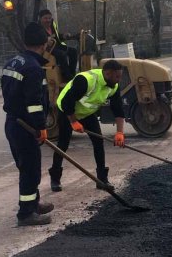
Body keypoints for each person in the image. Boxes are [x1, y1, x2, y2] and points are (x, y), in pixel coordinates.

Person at [2, 23, 55, 226]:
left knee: (27, 166)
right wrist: (41, 127)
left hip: (13, 122)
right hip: (25, 126)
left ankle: (33, 203)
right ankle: (26, 213)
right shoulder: (33, 68)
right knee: (30, 169)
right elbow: (34, 103)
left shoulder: (13, 62)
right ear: (43, 44)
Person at [48, 60, 127, 192]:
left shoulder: (113, 86)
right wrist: (73, 122)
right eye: (117, 77)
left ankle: (102, 180)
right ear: (108, 73)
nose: (119, 80)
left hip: (86, 114)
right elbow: (67, 102)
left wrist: (120, 133)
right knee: (63, 145)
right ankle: (55, 178)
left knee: (98, 142)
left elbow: (118, 110)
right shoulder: (85, 80)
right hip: (67, 111)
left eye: (120, 76)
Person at [38, 9, 77, 82]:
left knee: (73, 51)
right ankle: (66, 76)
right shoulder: (38, 28)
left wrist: (63, 36)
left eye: (49, 18)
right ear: (40, 19)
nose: (48, 20)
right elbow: (37, 41)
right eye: (45, 18)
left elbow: (57, 36)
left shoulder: (53, 24)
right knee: (61, 54)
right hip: (48, 49)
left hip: (57, 46)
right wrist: (46, 40)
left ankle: (72, 73)